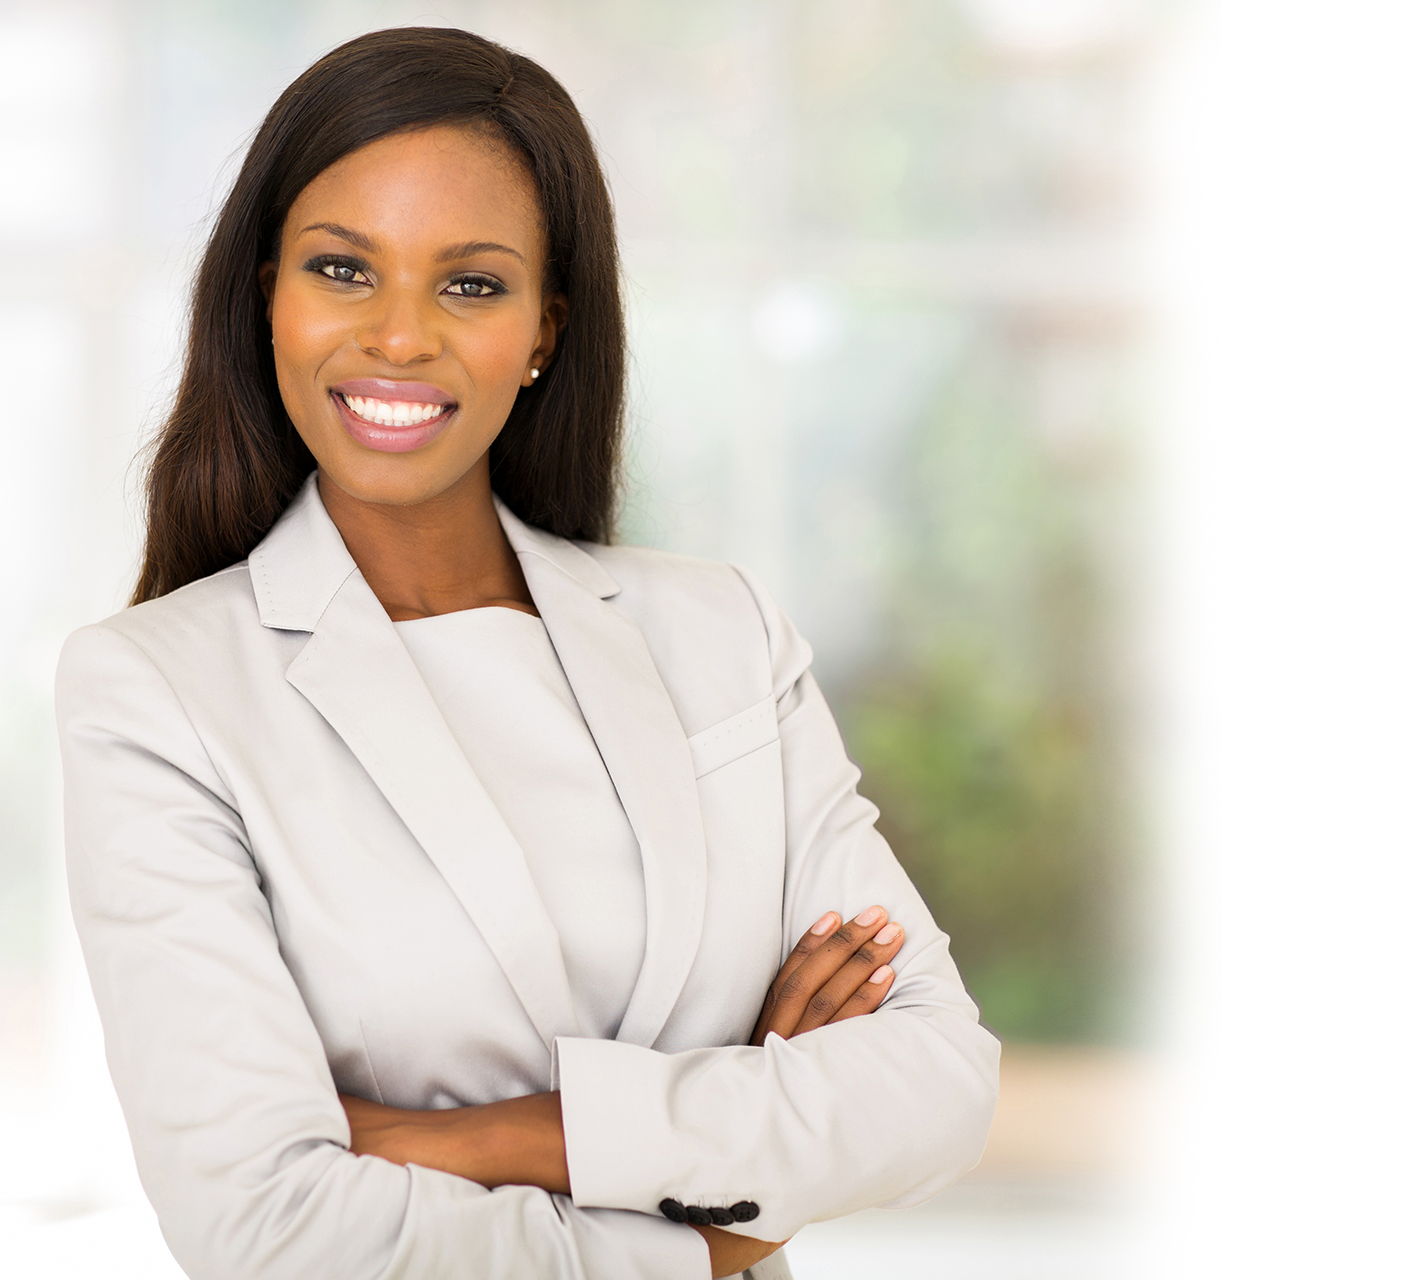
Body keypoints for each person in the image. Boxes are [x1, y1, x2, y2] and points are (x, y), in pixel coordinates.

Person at [54, 26, 998, 1280]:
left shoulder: (720, 633)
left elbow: (938, 1078)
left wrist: (496, 1136)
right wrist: (726, 1223)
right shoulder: (156, 691)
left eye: (471, 285)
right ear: (267, 294)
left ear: (545, 328)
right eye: (342, 268)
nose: (399, 337)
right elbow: (268, 1228)